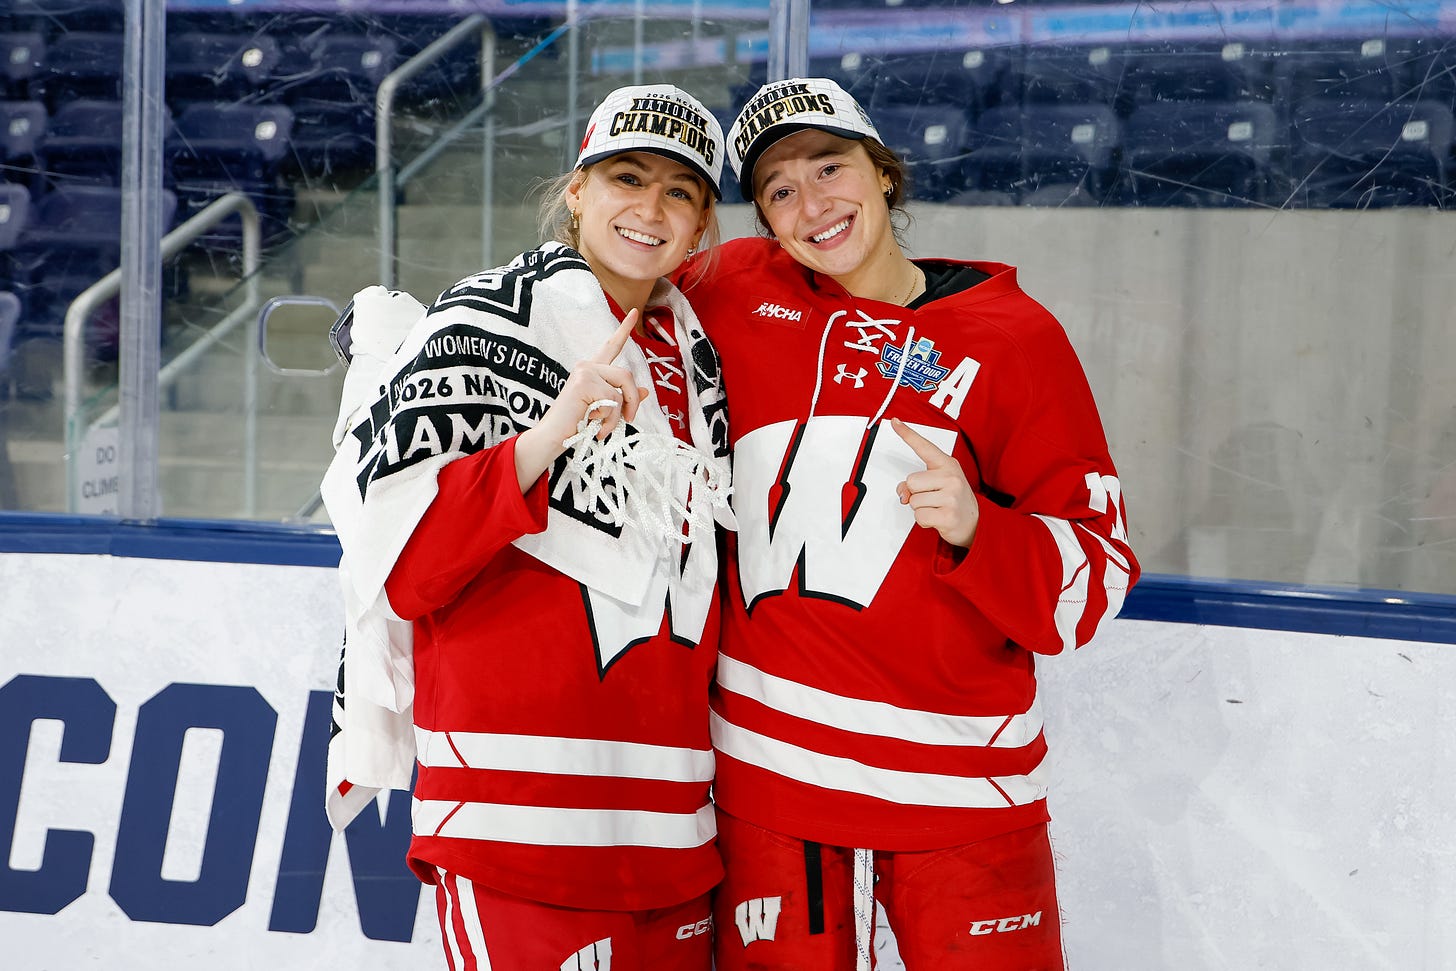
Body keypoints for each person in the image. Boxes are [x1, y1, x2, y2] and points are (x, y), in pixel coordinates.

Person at [677, 77, 1141, 970]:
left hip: (963, 797)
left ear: (882, 173)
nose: (812, 204)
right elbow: (608, 279)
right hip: (773, 790)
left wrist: (982, 528)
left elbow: (1098, 578)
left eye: (830, 167)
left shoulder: (1014, 338)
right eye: (779, 190)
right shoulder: (734, 291)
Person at [319, 84, 734, 971]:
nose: (649, 209)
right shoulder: (481, 321)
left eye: (679, 193)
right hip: (517, 820)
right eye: (627, 177)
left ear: (700, 229)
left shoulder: (704, 362)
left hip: (668, 828)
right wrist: (545, 438)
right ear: (576, 190)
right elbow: (404, 568)